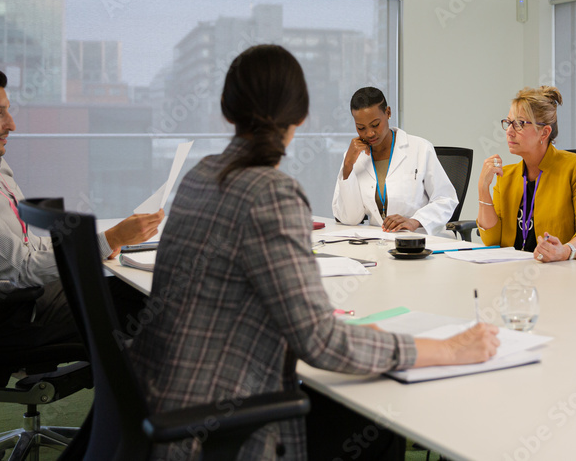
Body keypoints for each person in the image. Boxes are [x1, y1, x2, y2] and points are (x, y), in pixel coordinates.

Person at [127, 45, 499, 461]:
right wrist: (449, 349)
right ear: (300, 116)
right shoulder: (272, 192)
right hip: (222, 425)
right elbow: (320, 342)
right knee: (376, 421)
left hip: (159, 404)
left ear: (227, 111)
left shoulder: (201, 175)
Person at [0, 67, 163, 349]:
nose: (11, 124)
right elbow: (21, 269)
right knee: (153, 302)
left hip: (35, 295)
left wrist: (98, 244)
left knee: (142, 290)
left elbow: (25, 246)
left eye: (8, 111)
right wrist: (110, 240)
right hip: (20, 315)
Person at [476, 86, 576, 266]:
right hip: (527, 272)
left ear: (544, 132)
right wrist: (483, 189)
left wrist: (566, 251)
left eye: (520, 124)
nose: (509, 131)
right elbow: (492, 241)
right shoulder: (507, 176)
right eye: (509, 122)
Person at [332, 87, 457, 233]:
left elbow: (446, 199)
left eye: (375, 125)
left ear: (388, 113)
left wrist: (415, 221)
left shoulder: (420, 148)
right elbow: (350, 219)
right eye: (361, 128)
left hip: (419, 241)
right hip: (380, 242)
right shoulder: (354, 157)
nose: (370, 133)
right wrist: (348, 165)